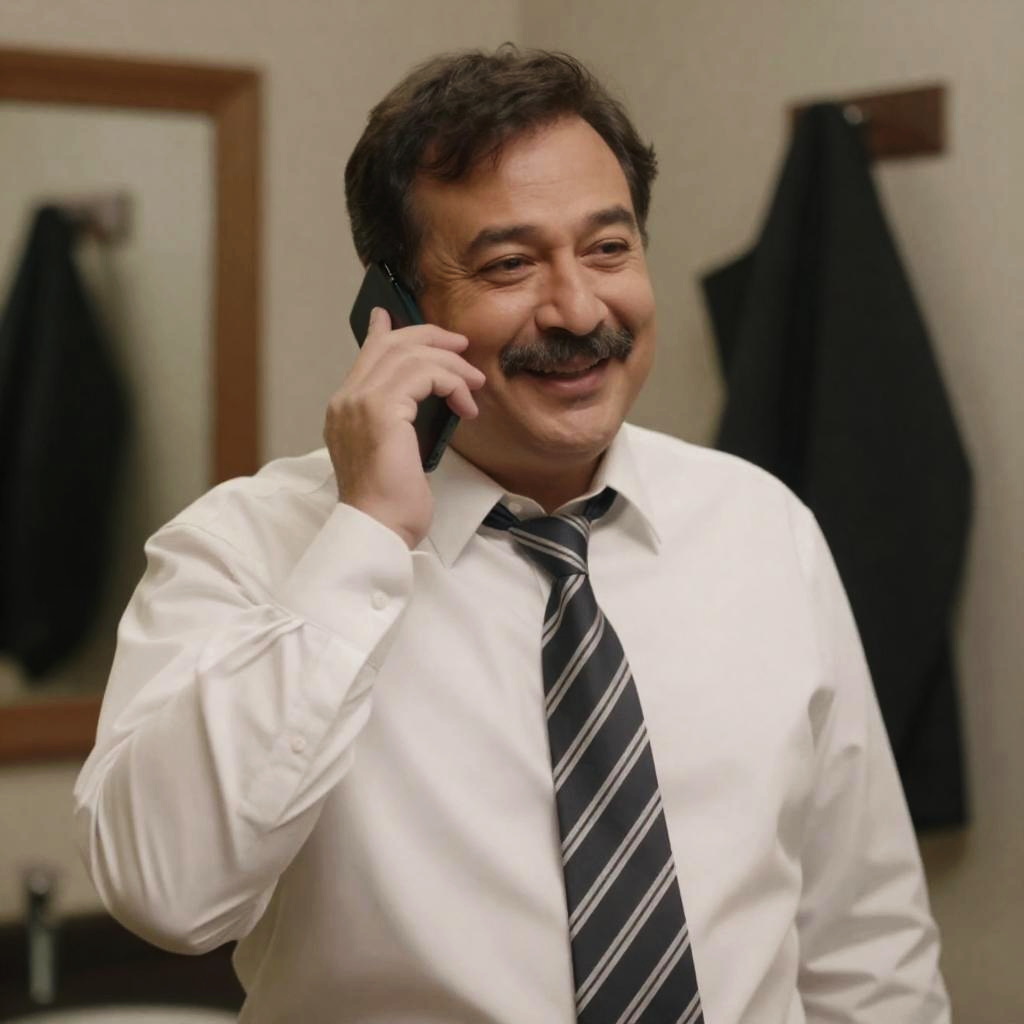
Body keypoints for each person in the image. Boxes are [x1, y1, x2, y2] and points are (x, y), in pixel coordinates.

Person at [74, 45, 950, 1024]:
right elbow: (167, 894)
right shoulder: (247, 547)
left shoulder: (762, 525)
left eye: (608, 249)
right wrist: (365, 537)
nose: (578, 308)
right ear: (393, 307)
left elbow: (865, 941)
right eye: (509, 264)